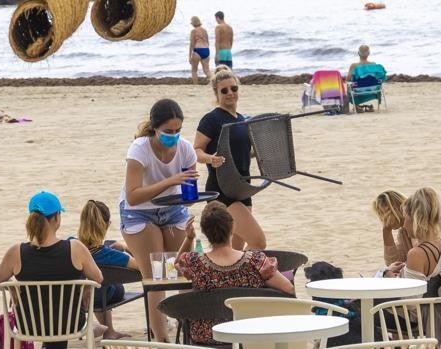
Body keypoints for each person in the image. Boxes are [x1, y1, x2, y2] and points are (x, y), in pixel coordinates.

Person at [119, 98, 198, 342]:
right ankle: (161, 340)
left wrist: (189, 194)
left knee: (182, 271)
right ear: (155, 129)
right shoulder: (140, 149)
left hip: (173, 210)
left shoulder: (185, 149)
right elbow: (133, 196)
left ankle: (189, 333)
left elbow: (190, 196)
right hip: (139, 212)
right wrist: (169, 182)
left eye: (177, 131)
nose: (173, 136)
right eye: (167, 132)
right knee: (157, 277)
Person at [0, 191, 107, 349]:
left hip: (29, 326)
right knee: (62, 316)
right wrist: (86, 286)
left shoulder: (16, 252)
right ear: (57, 217)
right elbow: (98, 278)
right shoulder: (75, 248)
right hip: (70, 325)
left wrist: (12, 286)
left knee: (43, 315)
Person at [176, 201, 295, 344]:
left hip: (208, 337)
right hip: (247, 336)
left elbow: (177, 264)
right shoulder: (256, 261)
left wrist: (189, 238)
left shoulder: (194, 263)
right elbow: (289, 289)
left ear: (204, 231)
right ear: (233, 227)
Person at [194, 66, 267, 250]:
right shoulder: (211, 119)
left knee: (232, 252)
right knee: (258, 241)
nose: (230, 93)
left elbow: (241, 153)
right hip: (222, 188)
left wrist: (259, 154)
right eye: (224, 90)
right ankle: (244, 276)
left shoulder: (242, 119)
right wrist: (211, 158)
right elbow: (196, 151)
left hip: (243, 188)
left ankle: (234, 278)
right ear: (216, 93)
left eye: (233, 88)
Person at [75, 199, 139, 339]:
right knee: (107, 285)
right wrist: (126, 248)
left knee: (96, 286)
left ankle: (108, 331)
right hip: (102, 296)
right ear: (107, 225)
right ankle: (109, 332)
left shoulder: (71, 245)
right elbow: (142, 267)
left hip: (77, 300)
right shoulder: (109, 254)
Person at [372, 189, 441, 271]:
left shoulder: (423, 230)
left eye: (384, 214)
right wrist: (386, 231)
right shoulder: (406, 231)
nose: (383, 220)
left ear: (394, 209)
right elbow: (395, 262)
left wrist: (388, 273)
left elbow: (420, 262)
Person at [188, 16, 212, 84]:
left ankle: (196, 86)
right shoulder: (205, 30)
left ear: (193, 23)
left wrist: (189, 56)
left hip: (198, 50)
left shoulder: (193, 31)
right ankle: (214, 81)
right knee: (206, 70)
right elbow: (208, 42)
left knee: (194, 70)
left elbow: (192, 44)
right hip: (206, 50)